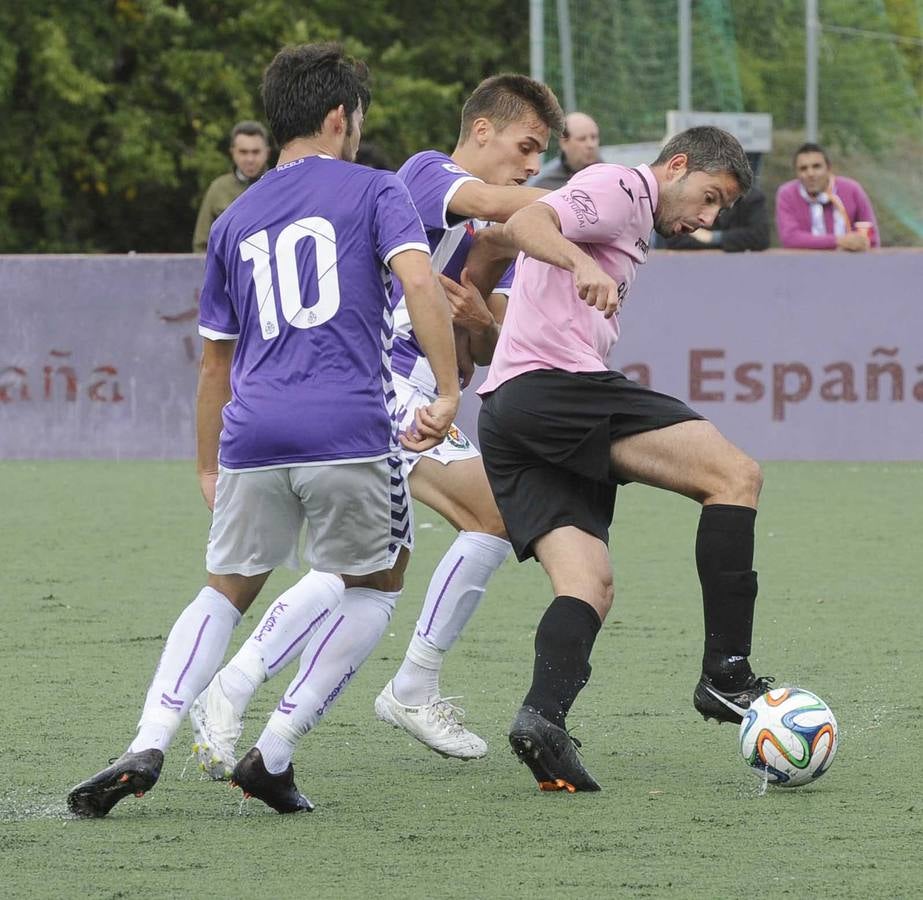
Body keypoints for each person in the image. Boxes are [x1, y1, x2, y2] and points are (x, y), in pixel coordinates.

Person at [67, 42, 460, 817]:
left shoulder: (234, 216)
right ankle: (273, 753)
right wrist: (445, 392)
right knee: (379, 585)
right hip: (348, 426)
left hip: (251, 434)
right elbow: (420, 282)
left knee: (224, 593)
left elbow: (215, 363)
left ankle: (148, 737)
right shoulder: (376, 187)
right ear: (340, 116)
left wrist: (208, 464)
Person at [188, 74, 564, 779]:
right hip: (377, 385)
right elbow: (489, 201)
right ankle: (241, 689)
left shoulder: (505, 238)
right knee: (389, 553)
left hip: (413, 396)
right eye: (525, 146)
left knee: (391, 564)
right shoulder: (425, 174)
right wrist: (607, 198)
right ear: (481, 131)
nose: (530, 166)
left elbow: (498, 349)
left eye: (541, 156)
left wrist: (485, 315)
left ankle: (354, 705)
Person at [473, 126, 775, 793]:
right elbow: (526, 218)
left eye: (719, 211)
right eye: (707, 197)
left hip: (508, 415)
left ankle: (541, 721)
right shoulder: (621, 186)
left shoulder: (631, 218)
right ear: (674, 165)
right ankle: (725, 674)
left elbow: (499, 240)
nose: (705, 219)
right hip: (553, 388)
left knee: (588, 584)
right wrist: (580, 264)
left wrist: (492, 287)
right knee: (734, 475)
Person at [775, 143, 879, 251]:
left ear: (828, 168)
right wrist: (838, 241)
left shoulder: (852, 190)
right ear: (796, 173)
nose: (810, 173)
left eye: (816, 167)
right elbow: (790, 238)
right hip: (805, 264)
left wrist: (859, 243)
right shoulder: (787, 194)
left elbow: (872, 238)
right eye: (803, 169)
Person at [192, 121, 271, 252]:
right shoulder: (218, 188)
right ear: (233, 152)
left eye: (255, 152)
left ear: (267, 153)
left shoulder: (280, 186)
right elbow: (202, 244)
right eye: (243, 152)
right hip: (227, 270)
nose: (250, 159)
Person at [654, 185, 770, 251]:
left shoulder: (752, 198)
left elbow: (760, 238)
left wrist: (712, 238)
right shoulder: (691, 196)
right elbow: (675, 240)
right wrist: (734, 241)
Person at [530, 111, 601, 190]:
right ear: (564, 142)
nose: (591, 145)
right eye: (582, 139)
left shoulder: (611, 177)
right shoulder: (545, 185)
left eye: (594, 137)